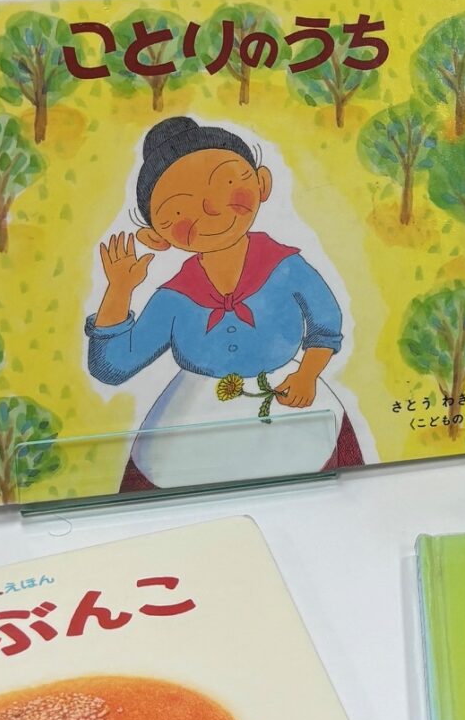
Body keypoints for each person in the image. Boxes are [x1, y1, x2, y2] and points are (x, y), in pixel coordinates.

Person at [86, 116, 364, 492]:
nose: (211, 209)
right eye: (178, 212)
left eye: (228, 184)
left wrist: (307, 375)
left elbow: (325, 323)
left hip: (294, 409)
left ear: (262, 183)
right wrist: (119, 290)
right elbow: (113, 367)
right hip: (190, 427)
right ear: (156, 237)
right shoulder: (174, 298)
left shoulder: (285, 267)